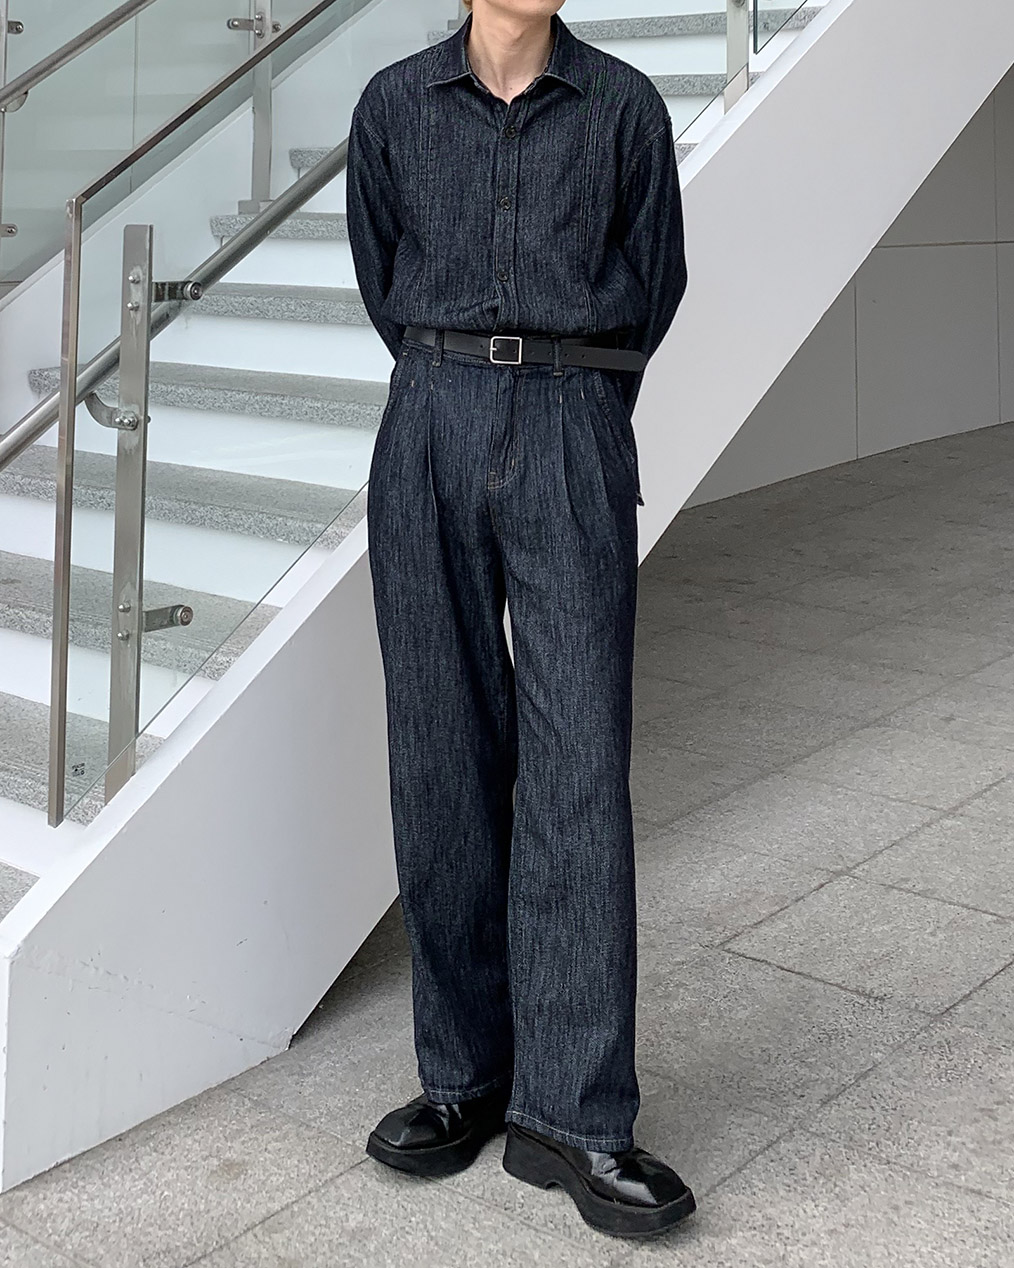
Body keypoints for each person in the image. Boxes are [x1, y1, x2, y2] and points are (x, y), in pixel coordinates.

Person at [345, 0, 691, 1239]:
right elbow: (381, 276)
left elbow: (655, 282)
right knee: (440, 755)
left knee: (578, 764)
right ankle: (465, 1074)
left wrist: (572, 397)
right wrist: (456, 370)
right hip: (428, 415)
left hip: (570, 418)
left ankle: (575, 1111)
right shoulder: (393, 106)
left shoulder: (624, 108)